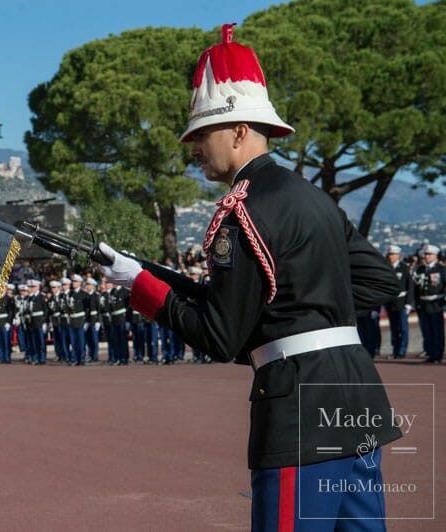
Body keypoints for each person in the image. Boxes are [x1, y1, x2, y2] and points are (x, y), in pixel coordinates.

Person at [99, 25, 401, 529]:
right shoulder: (314, 199)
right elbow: (381, 282)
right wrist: (148, 272)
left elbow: (219, 335)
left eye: (202, 134)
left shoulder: (240, 210)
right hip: (357, 398)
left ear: (239, 131)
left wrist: (143, 291)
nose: (194, 148)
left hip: (297, 411)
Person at [412, 244, 444, 363]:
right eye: (425, 254)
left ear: (435, 256)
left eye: (429, 254)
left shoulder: (441, 269)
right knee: (427, 331)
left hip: (436, 303)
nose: (426, 256)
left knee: (437, 331)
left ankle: (437, 354)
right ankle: (430, 353)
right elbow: (415, 287)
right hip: (423, 304)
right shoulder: (421, 269)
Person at [383, 245, 414, 359]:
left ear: (398, 255)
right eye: (389, 254)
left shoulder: (404, 268)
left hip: (402, 303)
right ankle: (395, 350)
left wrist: (408, 303)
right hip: (390, 303)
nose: (391, 257)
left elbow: (410, 286)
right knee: (394, 328)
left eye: (393, 254)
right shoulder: (386, 267)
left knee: (403, 328)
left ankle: (402, 350)